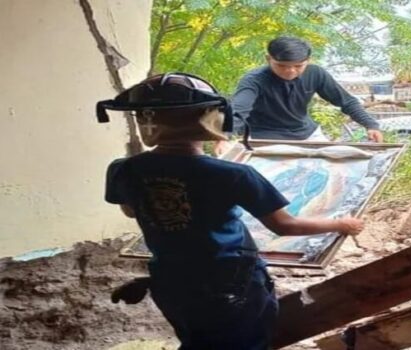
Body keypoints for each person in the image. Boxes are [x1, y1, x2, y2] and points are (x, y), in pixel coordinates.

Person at [97, 73, 364, 349]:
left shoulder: (123, 169)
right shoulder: (234, 174)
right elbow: (286, 226)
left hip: (171, 282)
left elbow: (131, 211)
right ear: (212, 117)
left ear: (145, 121)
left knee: (197, 341)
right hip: (230, 284)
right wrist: (341, 224)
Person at [231, 36, 384, 142]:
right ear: (268, 59)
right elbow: (238, 111)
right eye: (282, 66)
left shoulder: (316, 73)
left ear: (308, 61)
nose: (290, 71)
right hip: (264, 136)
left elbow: (347, 101)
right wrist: (223, 136)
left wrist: (371, 125)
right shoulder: (253, 80)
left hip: (307, 133)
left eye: (298, 66)